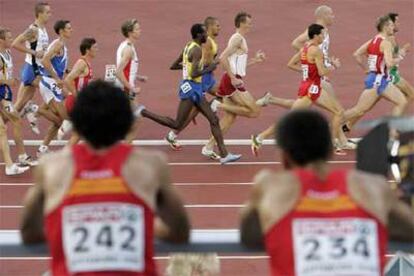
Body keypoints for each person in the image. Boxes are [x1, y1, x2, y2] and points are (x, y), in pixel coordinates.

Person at [20, 80, 190, 276]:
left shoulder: (52, 167)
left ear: (78, 123)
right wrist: (137, 225)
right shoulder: (150, 165)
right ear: (126, 123)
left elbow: (29, 233)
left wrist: (73, 227)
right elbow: (179, 231)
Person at [240, 109, 414, 276]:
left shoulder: (271, 186)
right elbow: (409, 230)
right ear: (330, 150)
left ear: (284, 156)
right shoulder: (373, 187)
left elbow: (249, 235)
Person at [253, 5, 352, 155]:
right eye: (322, 35)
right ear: (316, 35)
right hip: (313, 87)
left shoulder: (306, 48)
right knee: (294, 117)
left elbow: (291, 64)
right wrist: (333, 65)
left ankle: (336, 143)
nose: (324, 36)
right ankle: (261, 137)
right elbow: (321, 71)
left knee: (337, 111)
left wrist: (307, 67)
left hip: (310, 85)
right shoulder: (314, 48)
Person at [137, 23, 241, 164]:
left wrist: (187, 67)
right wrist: (209, 67)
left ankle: (224, 155)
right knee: (177, 124)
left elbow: (174, 66)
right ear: (198, 35)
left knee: (214, 120)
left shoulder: (188, 46)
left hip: (193, 88)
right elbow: (194, 73)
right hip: (192, 88)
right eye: (204, 33)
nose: (206, 36)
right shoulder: (197, 50)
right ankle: (144, 112)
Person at [200, 11, 266, 159]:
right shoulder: (237, 39)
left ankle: (208, 146)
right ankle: (218, 105)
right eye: (249, 22)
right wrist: (233, 78)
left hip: (231, 79)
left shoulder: (239, 39)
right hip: (232, 82)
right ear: (241, 23)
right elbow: (223, 58)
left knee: (230, 118)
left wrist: (255, 61)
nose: (251, 25)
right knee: (254, 111)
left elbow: (235, 63)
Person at [165, 16, 221, 150]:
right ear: (208, 28)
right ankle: (173, 133)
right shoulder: (206, 44)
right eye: (217, 25)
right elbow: (203, 64)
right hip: (203, 80)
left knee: (199, 108)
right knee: (223, 93)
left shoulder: (209, 42)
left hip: (206, 78)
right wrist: (215, 63)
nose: (219, 27)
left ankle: (173, 133)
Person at [343, 15, 408, 126]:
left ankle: (341, 127)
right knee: (359, 110)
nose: (393, 27)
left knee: (361, 110)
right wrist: (401, 56)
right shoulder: (386, 43)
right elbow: (389, 64)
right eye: (391, 25)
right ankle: (334, 123)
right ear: (385, 27)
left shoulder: (373, 41)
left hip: (377, 79)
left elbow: (357, 55)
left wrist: (366, 69)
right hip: (379, 81)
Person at [11, 2, 52, 134]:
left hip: (38, 68)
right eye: (47, 12)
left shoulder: (43, 29)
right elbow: (15, 44)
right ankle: (31, 111)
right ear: (40, 14)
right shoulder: (33, 29)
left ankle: (29, 109)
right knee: (19, 105)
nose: (50, 15)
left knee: (20, 104)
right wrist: (34, 53)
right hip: (32, 70)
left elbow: (42, 49)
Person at [0, 27, 38, 168]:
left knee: (7, 121)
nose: (11, 39)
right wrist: (6, 81)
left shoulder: (7, 53)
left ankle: (21, 157)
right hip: (1, 92)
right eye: (9, 38)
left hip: (4, 92)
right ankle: (22, 157)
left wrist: (10, 79)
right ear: (1, 40)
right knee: (15, 119)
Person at [36, 20, 72, 157]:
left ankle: (42, 149)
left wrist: (68, 71)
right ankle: (36, 109)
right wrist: (56, 77)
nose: (71, 30)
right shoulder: (58, 44)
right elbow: (45, 60)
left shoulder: (62, 44)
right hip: (49, 83)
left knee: (58, 121)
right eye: (68, 28)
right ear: (61, 31)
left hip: (52, 83)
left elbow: (56, 63)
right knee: (66, 119)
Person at [115, 19, 148, 143]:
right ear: (130, 32)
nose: (140, 31)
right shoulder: (128, 49)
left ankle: (121, 145)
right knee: (137, 118)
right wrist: (131, 87)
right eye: (137, 29)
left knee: (128, 119)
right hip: (126, 89)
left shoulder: (126, 45)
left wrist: (138, 77)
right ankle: (123, 150)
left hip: (125, 87)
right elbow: (118, 72)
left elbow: (127, 70)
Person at [59, 37, 97, 144]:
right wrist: (77, 95)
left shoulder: (86, 63)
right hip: (76, 102)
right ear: (87, 50)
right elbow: (67, 80)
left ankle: (67, 157)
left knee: (78, 134)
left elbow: (80, 80)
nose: (97, 49)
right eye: (94, 47)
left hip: (79, 102)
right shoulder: (82, 63)